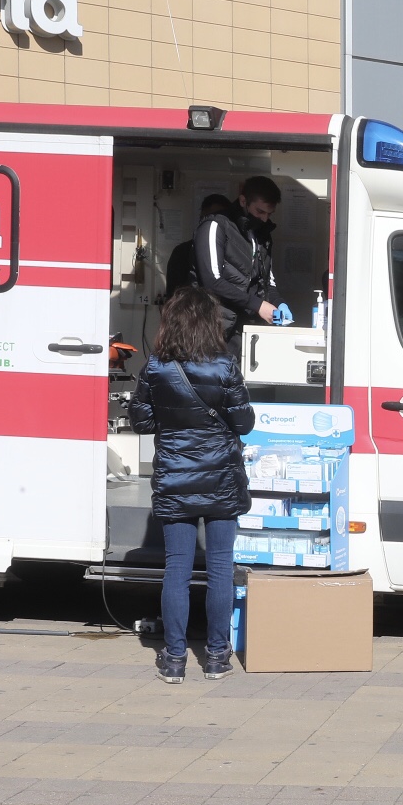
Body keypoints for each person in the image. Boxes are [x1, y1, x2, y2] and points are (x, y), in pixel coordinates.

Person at [127, 287, 256, 684]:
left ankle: (175, 658)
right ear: (209, 324)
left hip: (175, 479)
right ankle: (217, 657)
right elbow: (244, 424)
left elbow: (142, 422)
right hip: (219, 479)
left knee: (177, 570)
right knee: (220, 568)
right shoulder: (224, 366)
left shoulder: (156, 368)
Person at [196, 175, 288, 356]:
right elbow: (211, 281)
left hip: (248, 330)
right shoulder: (215, 225)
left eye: (269, 214)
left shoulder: (262, 234)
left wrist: (278, 303)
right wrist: (258, 305)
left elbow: (267, 280)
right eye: (260, 211)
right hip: (214, 329)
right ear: (243, 200)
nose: (264, 218)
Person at [163, 194, 232, 301]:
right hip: (190, 313)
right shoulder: (182, 252)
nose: (212, 224)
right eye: (207, 218)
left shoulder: (234, 255)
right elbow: (173, 295)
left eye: (218, 218)